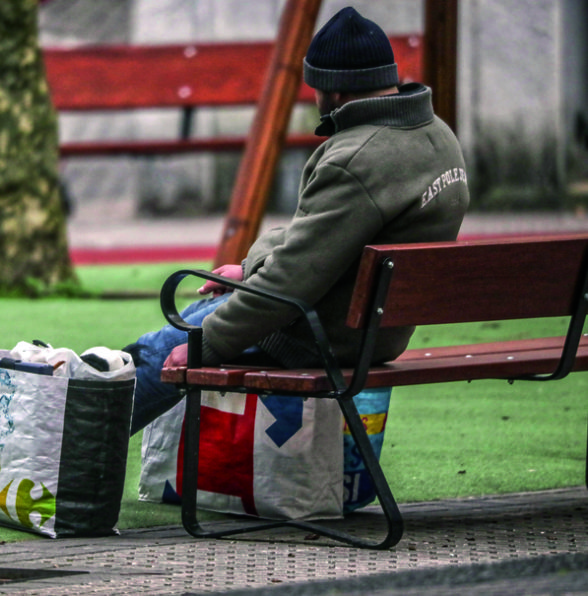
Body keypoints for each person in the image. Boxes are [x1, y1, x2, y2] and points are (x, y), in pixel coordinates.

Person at [125, 6, 470, 436]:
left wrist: (208, 344)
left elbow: (290, 281)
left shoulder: (356, 159)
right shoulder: (438, 137)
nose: (315, 97)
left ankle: (72, 460)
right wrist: (248, 271)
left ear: (335, 90)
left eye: (317, 86)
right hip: (375, 330)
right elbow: (329, 239)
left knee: (148, 359)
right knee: (193, 318)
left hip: (318, 336)